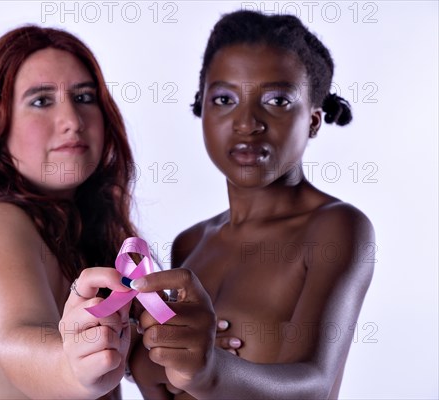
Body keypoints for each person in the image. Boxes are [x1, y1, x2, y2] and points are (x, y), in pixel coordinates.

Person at [128, 10, 375, 399]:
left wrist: (212, 371)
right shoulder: (190, 244)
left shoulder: (335, 228)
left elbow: (315, 386)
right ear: (202, 109)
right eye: (224, 99)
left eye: (277, 100)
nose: (247, 122)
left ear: (313, 120)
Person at [0, 25, 139, 399]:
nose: (72, 121)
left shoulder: (80, 231)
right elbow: (18, 338)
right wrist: (73, 366)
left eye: (84, 97)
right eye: (41, 101)